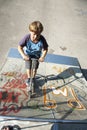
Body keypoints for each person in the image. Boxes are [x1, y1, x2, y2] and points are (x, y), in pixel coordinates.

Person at [18, 21, 48, 91]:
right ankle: (29, 78)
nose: (35, 37)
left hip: (36, 56)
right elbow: (19, 47)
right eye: (34, 34)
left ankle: (33, 78)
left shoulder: (42, 39)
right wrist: (23, 55)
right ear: (30, 31)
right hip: (28, 55)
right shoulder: (26, 37)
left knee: (34, 69)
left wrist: (42, 57)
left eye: (38, 35)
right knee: (28, 67)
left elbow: (45, 49)